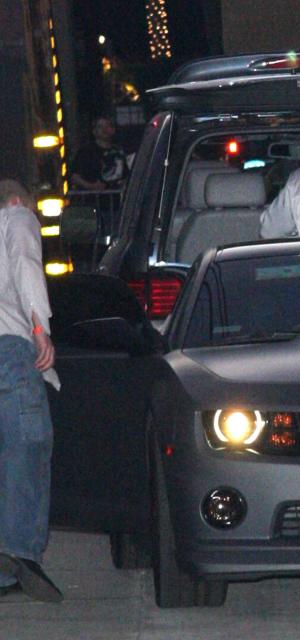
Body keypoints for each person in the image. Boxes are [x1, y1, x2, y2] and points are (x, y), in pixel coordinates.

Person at [0, 179, 62, 601]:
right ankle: (18, 554)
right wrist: (40, 326)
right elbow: (24, 263)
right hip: (9, 348)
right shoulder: (15, 216)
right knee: (29, 445)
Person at [70, 116, 127, 191]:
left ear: (113, 130)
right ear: (94, 131)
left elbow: (125, 174)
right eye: (100, 127)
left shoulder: (119, 151)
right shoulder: (86, 151)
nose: (104, 129)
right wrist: (90, 186)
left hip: (116, 198)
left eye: (107, 126)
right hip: (92, 199)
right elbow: (74, 176)